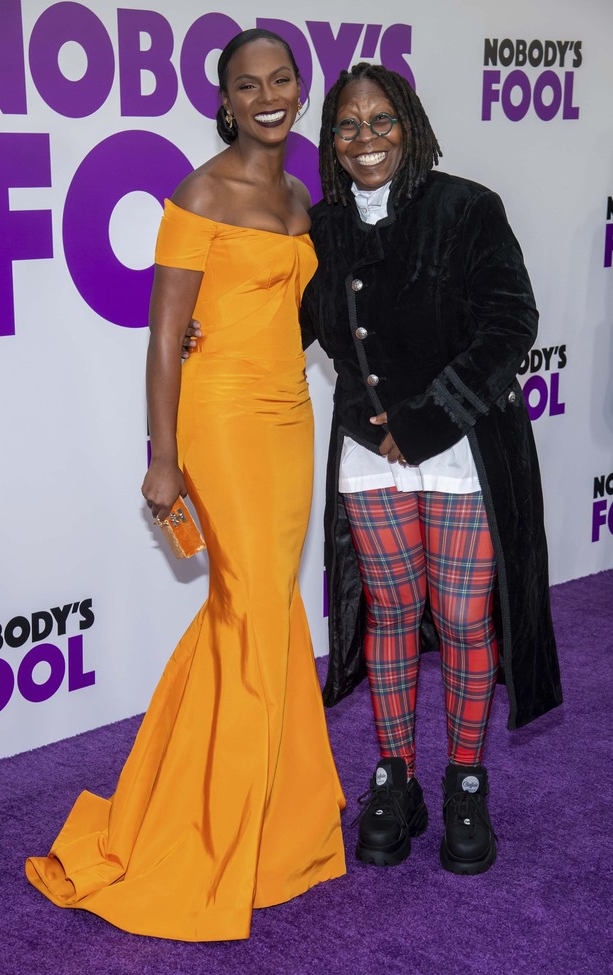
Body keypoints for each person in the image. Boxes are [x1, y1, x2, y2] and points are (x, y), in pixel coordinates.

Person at [25, 29, 345, 941]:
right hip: (221, 423)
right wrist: (162, 455)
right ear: (226, 99)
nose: (269, 96)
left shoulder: (299, 194)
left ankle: (277, 833)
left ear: (298, 87)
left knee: (267, 609)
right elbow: (166, 336)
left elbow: (301, 310)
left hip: (290, 416)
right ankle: (207, 842)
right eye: (249, 85)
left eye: (282, 79)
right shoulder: (198, 193)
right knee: (249, 612)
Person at [297, 62, 563, 875]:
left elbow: (512, 320)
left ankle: (465, 779)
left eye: (381, 121)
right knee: (389, 616)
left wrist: (421, 423)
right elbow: (289, 323)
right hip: (367, 460)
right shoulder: (323, 225)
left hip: (459, 445)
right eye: (347, 125)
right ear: (330, 139)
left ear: (408, 123)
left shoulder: (467, 207)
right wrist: (211, 340)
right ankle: (395, 778)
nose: (365, 139)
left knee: (459, 618)